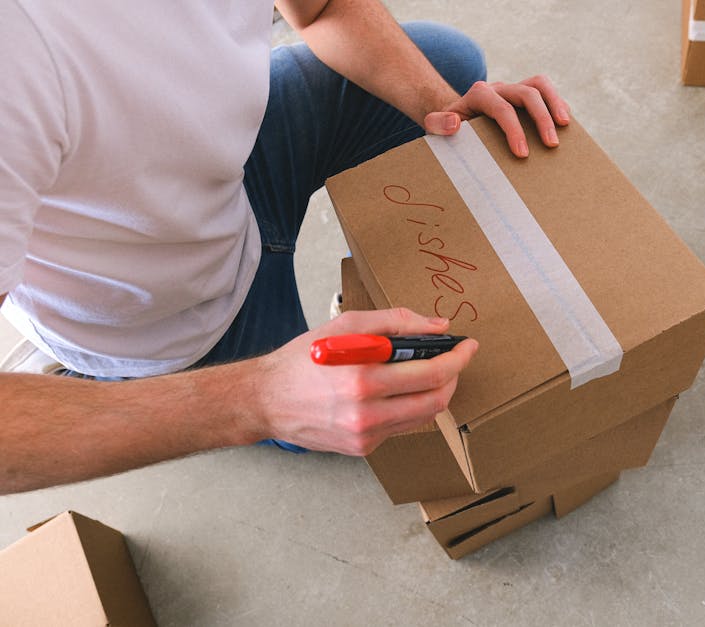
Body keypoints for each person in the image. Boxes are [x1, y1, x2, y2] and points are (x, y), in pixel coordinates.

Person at [0, 0, 570, 495]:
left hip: (231, 162)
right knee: (353, 421)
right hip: (167, 316)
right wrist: (258, 398)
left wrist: (441, 110)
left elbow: (322, 9)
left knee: (446, 64)